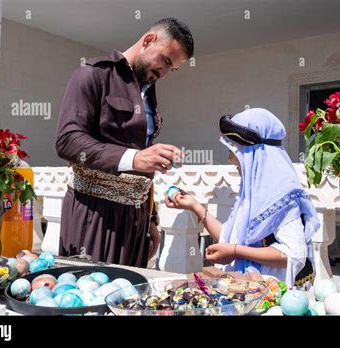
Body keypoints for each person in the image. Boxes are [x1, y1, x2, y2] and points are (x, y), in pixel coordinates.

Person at [56, 18, 194, 266]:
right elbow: (68, 141)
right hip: (93, 212)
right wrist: (134, 158)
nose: (163, 74)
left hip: (136, 220)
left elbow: (145, 163)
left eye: (171, 69)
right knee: (90, 294)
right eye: (164, 61)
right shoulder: (92, 74)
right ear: (149, 40)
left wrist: (151, 219)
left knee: (130, 298)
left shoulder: (148, 91)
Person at [165, 108, 321, 288]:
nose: (230, 158)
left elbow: (292, 255)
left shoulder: (282, 195)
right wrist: (195, 206)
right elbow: (228, 238)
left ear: (255, 154)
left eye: (235, 151)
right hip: (245, 290)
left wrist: (235, 251)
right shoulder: (253, 194)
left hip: (270, 296)